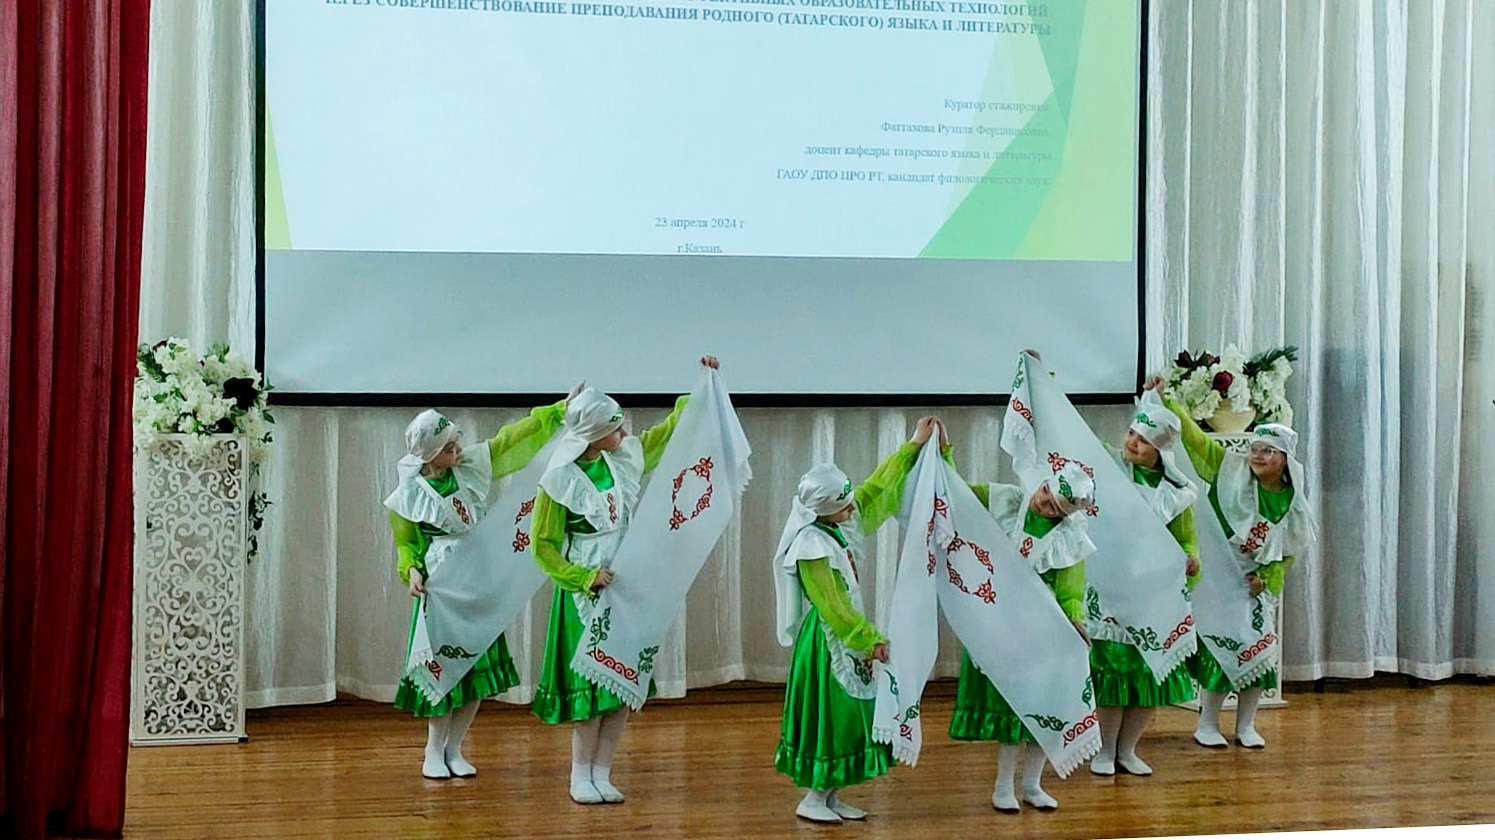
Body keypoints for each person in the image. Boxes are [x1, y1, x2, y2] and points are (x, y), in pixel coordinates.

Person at [530, 357, 717, 804]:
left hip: (626, 585)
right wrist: (582, 576)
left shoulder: (623, 459)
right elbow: (543, 546)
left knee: (620, 686)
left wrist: (701, 390)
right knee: (592, 689)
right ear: (593, 433)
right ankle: (580, 774)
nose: (624, 432)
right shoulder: (559, 481)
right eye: (615, 426)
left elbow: (664, 435)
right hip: (586, 592)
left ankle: (603, 771)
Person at [386, 393, 573, 778]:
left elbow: (509, 442)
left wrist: (556, 413)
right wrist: (412, 570)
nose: (458, 450)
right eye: (448, 448)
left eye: (456, 442)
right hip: (443, 585)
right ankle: (433, 749)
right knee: (443, 667)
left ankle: (455, 747)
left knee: (476, 666)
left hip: (477, 577)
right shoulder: (408, 494)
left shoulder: (469, 467)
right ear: (430, 456)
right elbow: (405, 543)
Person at [773, 417, 943, 824]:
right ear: (824, 510)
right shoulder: (811, 546)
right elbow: (832, 605)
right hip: (830, 641)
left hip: (848, 635)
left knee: (851, 715)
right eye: (844, 505)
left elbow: (876, 488)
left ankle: (831, 794)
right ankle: (814, 796)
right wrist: (867, 639)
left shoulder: (837, 524)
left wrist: (913, 446)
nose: (853, 509)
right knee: (836, 716)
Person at [1148, 375, 1317, 748]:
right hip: (1217, 574)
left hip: (1253, 586)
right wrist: (1169, 401)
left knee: (1259, 652)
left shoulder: (1293, 503)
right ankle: (1207, 723)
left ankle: (1246, 724)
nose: (1257, 456)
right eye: (1255, 448)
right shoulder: (1230, 468)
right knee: (1218, 645)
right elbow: (1197, 441)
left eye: (1268, 451)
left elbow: (1290, 550)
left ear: (1285, 460)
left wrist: (1268, 577)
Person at [948, 446, 1096, 813]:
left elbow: (1071, 589)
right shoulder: (1009, 501)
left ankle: (1032, 783)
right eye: (1044, 492)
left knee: (1043, 708)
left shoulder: (1070, 539)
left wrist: (1075, 620)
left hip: (1042, 631)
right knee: (1012, 710)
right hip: (1002, 624)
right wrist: (944, 457)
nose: (1041, 503)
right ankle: (1003, 785)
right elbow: (959, 493)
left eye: (1053, 507)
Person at [1090, 389, 1200, 776]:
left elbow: (1187, 538)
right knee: (1113, 670)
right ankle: (1104, 750)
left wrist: (1190, 559)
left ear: (1161, 450)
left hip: (1153, 594)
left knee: (1149, 672)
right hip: (1113, 589)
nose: (1133, 443)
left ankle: (1127, 749)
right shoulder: (1109, 468)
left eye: (1144, 440)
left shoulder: (1177, 494)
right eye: (1132, 435)